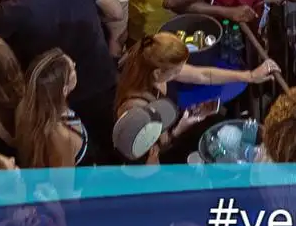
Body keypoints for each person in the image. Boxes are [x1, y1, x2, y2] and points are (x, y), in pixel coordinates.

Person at [110, 32, 278, 163]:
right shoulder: (135, 108)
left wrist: (250, 76)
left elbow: (202, 75)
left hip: (177, 128)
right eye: (177, 70)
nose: (181, 72)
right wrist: (180, 129)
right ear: (158, 73)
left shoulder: (155, 69)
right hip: (168, 152)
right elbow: (151, 155)